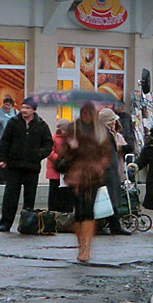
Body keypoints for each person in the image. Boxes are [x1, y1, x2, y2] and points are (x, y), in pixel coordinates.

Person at [59, 102, 111, 263]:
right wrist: (72, 146)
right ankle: (81, 245)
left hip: (93, 175)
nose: (86, 117)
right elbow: (64, 153)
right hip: (76, 175)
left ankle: (86, 247)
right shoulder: (73, 129)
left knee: (88, 210)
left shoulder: (100, 130)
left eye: (89, 114)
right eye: (84, 113)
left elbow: (106, 153)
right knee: (79, 211)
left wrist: (100, 167)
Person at [0, 99, 53, 233]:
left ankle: (27, 223)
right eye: (23, 107)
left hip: (31, 167)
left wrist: (38, 154)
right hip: (14, 166)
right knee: (10, 196)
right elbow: (4, 142)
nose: (24, 110)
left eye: (27, 108)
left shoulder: (41, 125)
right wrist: (2, 158)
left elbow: (48, 144)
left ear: (33, 110)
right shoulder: (13, 123)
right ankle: (5, 223)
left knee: (29, 197)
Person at [96, 108, 131, 235]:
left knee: (107, 198)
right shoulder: (103, 134)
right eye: (113, 120)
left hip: (108, 169)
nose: (115, 123)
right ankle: (107, 226)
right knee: (106, 198)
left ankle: (110, 225)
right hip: (106, 170)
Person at [45, 120, 74, 213]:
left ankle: (66, 215)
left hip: (67, 172)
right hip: (55, 171)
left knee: (67, 196)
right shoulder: (53, 138)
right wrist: (58, 159)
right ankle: (53, 215)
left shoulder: (71, 139)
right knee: (54, 195)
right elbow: (49, 151)